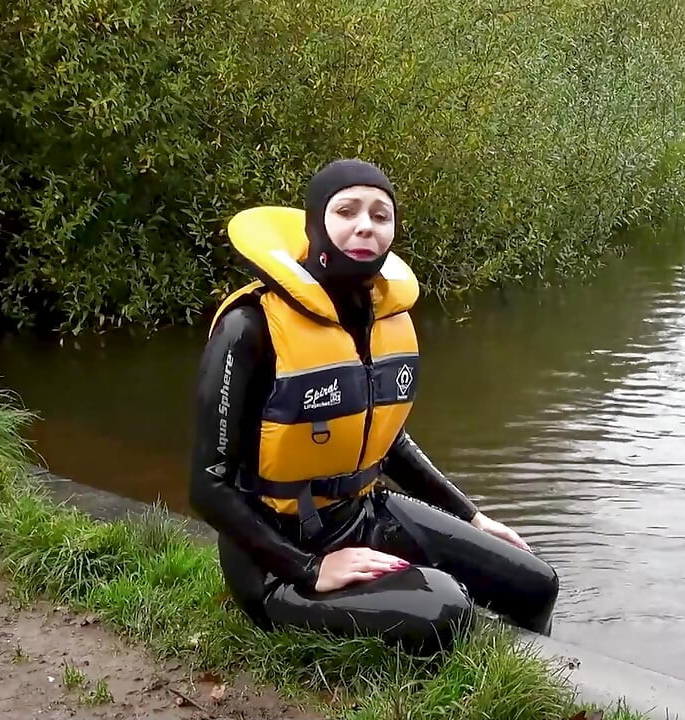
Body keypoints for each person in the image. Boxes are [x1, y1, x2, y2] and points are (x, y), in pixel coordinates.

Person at [188, 159, 559, 656]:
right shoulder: (250, 326)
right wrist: (310, 569)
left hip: (362, 515)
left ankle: (537, 675)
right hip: (276, 560)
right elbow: (207, 486)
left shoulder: (382, 319)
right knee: (444, 607)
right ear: (315, 225)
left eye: (380, 215)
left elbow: (388, 443)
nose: (366, 225)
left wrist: (471, 517)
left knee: (535, 583)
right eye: (347, 211)